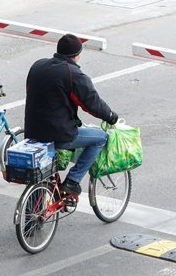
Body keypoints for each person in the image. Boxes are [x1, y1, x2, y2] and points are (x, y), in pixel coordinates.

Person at [24, 33, 119, 197]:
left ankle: (33, 216)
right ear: (78, 54)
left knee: (39, 176)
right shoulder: (73, 74)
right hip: (59, 134)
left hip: (32, 132)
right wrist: (110, 115)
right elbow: (91, 104)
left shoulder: (38, 65)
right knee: (101, 137)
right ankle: (72, 181)